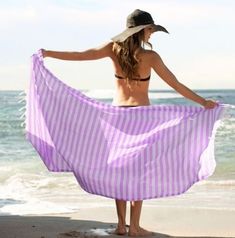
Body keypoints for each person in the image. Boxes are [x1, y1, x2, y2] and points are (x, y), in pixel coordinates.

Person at [41, 9, 217, 237]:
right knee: (139, 172)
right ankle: (135, 227)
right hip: (142, 118)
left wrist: (48, 53)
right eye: (150, 30)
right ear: (141, 30)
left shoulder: (112, 49)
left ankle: (121, 226)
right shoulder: (151, 57)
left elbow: (80, 54)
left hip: (117, 117)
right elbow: (176, 84)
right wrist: (203, 102)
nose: (151, 34)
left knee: (119, 171)